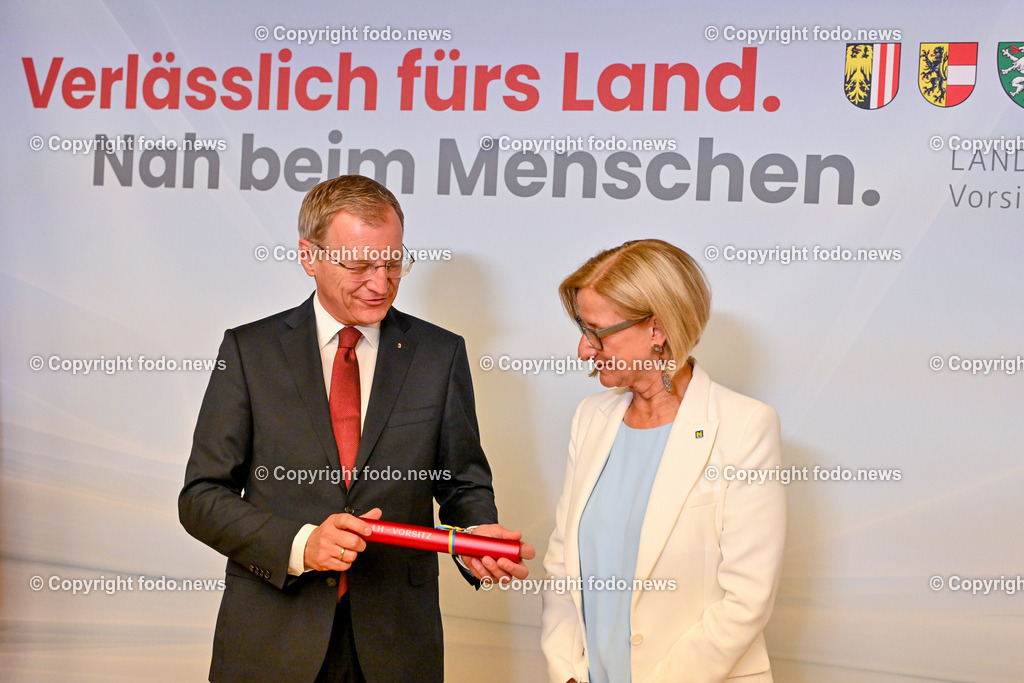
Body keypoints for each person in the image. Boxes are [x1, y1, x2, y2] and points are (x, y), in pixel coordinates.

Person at [179, 175, 534, 683]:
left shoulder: (440, 354)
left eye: (393, 262)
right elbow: (200, 497)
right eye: (359, 264)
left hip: (395, 647)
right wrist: (301, 544)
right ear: (309, 256)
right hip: (270, 644)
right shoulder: (248, 352)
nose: (380, 281)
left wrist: (474, 534)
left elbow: (463, 483)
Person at [541, 239, 786, 682]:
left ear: (657, 330)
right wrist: (567, 672)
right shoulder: (590, 418)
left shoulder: (745, 427)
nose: (583, 349)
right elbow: (562, 565)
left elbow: (747, 599)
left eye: (597, 332)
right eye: (582, 328)